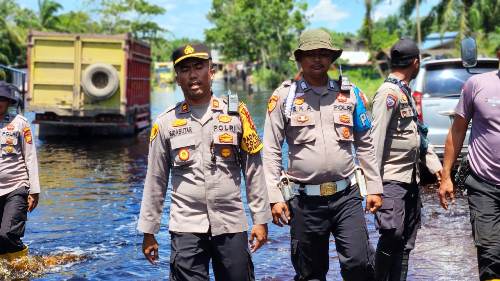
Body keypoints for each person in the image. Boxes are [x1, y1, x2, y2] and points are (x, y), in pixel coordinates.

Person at [137, 43, 271, 281]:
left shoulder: (237, 114)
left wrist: (260, 219)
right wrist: (149, 231)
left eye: (198, 67)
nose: (192, 74)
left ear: (212, 71)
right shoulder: (165, 122)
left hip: (230, 224)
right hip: (186, 226)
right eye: (185, 69)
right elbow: (155, 180)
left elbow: (254, 171)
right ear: (177, 78)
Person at [263, 29, 383, 281]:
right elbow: (272, 150)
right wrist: (275, 198)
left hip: (347, 197)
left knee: (359, 264)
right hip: (304, 200)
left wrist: (374, 187)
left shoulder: (350, 94)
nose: (317, 59)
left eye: (323, 54)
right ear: (299, 58)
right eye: (311, 54)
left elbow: (365, 142)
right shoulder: (284, 97)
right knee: (310, 273)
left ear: (331, 58)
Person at [370, 38, 442, 281]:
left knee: (406, 239)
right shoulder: (388, 94)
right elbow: (375, 141)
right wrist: (373, 187)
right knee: (392, 234)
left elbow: (418, 135)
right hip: (390, 180)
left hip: (410, 179)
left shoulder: (404, 92)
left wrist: (435, 166)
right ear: (415, 62)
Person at [438, 46, 500, 281]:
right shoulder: (477, 85)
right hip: (484, 184)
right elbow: (457, 131)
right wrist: (446, 176)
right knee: (490, 254)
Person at [0, 81, 40, 259]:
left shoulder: (20, 123)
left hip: (16, 187)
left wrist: (34, 191)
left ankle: (24, 265)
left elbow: (30, 156)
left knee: (7, 234)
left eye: (2, 99)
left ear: (9, 102)